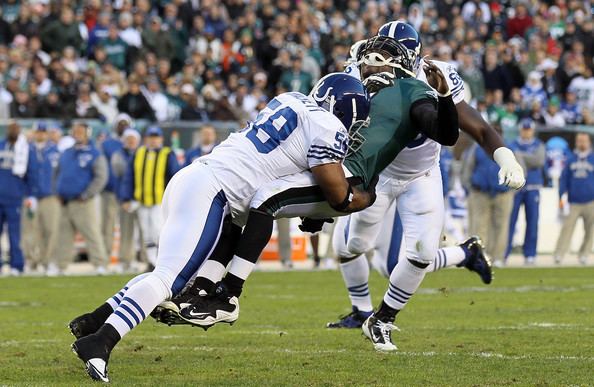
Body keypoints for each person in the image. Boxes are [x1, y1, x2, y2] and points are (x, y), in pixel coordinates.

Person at [68, 73, 374, 383]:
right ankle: (101, 342)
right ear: (344, 109)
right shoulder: (327, 125)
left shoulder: (290, 99)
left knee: (175, 274)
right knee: (169, 279)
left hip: (197, 179)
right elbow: (337, 195)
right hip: (213, 192)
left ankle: (95, 320)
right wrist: (366, 196)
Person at [177, 37, 460, 332]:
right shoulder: (363, 90)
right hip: (330, 169)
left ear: (401, 62)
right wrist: (317, 213)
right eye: (370, 55)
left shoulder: (413, 91)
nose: (371, 61)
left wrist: (444, 96)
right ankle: (204, 288)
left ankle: (229, 296)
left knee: (266, 199)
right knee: (242, 204)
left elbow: (446, 134)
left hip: (352, 179)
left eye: (382, 54)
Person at [327, 22, 524, 338]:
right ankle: (361, 309)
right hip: (377, 170)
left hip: (421, 175)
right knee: (350, 245)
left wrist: (505, 156)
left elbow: (477, 128)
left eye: (390, 53)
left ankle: (382, 319)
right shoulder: (359, 69)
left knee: (416, 255)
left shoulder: (433, 77)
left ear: (412, 58)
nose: (379, 58)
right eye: (377, 49)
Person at [51, 123, 109, 275]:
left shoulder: (94, 153)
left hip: (83, 202)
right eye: (75, 131)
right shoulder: (67, 152)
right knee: (64, 235)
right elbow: (57, 173)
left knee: (91, 233)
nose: (77, 134)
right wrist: (57, 191)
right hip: (65, 201)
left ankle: (100, 264)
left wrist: (87, 194)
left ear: (87, 134)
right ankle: (61, 265)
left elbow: (101, 177)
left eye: (80, 132)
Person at [120, 126, 180, 268]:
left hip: (159, 201)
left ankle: (162, 262)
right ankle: (152, 262)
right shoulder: (138, 153)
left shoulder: (167, 154)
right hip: (141, 201)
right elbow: (129, 176)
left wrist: (174, 198)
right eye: (151, 137)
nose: (153, 140)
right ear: (146, 139)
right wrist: (126, 197)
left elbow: (175, 177)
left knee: (158, 231)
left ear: (161, 139)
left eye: (156, 137)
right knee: (146, 233)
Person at [462, 131, 516, 267]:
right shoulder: (477, 148)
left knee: (501, 226)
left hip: (502, 193)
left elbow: (519, 169)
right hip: (480, 192)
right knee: (478, 226)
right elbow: (468, 168)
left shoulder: (509, 149)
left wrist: (512, 189)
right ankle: (478, 257)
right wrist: (470, 188)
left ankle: (498, 257)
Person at [0, 120, 37, 275]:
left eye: (16, 128)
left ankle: (17, 265)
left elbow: (31, 173)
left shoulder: (25, 148)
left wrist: (30, 194)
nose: (13, 131)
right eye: (11, 128)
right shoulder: (1, 145)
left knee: (15, 234)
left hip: (14, 196)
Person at [506, 119, 545, 265]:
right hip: (515, 188)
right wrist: (526, 158)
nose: (526, 132)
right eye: (524, 129)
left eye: (528, 129)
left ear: (533, 131)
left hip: (533, 187)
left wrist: (520, 156)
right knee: (510, 221)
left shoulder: (538, 145)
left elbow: (539, 161)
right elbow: (511, 159)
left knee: (532, 222)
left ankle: (530, 254)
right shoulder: (512, 144)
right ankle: (504, 252)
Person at [553, 133, 594, 265]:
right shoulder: (570, 159)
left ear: (589, 142)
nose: (581, 143)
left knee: (590, 231)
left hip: (591, 201)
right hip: (573, 201)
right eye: (579, 141)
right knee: (567, 229)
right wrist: (561, 196)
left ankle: (584, 254)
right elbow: (564, 179)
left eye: (584, 141)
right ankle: (559, 254)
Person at [30, 122, 61, 275]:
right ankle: (33, 262)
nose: (40, 134)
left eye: (43, 132)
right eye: (38, 132)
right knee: (32, 231)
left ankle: (48, 262)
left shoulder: (55, 150)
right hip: (31, 196)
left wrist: (58, 192)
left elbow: (62, 173)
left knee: (51, 230)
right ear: (33, 133)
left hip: (50, 196)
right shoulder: (27, 149)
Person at [99, 115, 130, 264]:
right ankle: (105, 257)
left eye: (125, 124)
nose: (123, 126)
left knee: (128, 226)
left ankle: (126, 258)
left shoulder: (133, 142)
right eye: (120, 124)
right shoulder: (107, 144)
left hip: (127, 192)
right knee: (108, 224)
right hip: (110, 190)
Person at [112, 129, 143, 272]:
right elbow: (118, 178)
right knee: (126, 232)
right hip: (126, 199)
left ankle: (148, 260)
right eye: (128, 139)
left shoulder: (144, 154)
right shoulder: (118, 156)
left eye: (133, 139)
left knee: (147, 232)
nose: (131, 142)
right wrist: (123, 198)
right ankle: (126, 260)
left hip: (143, 199)